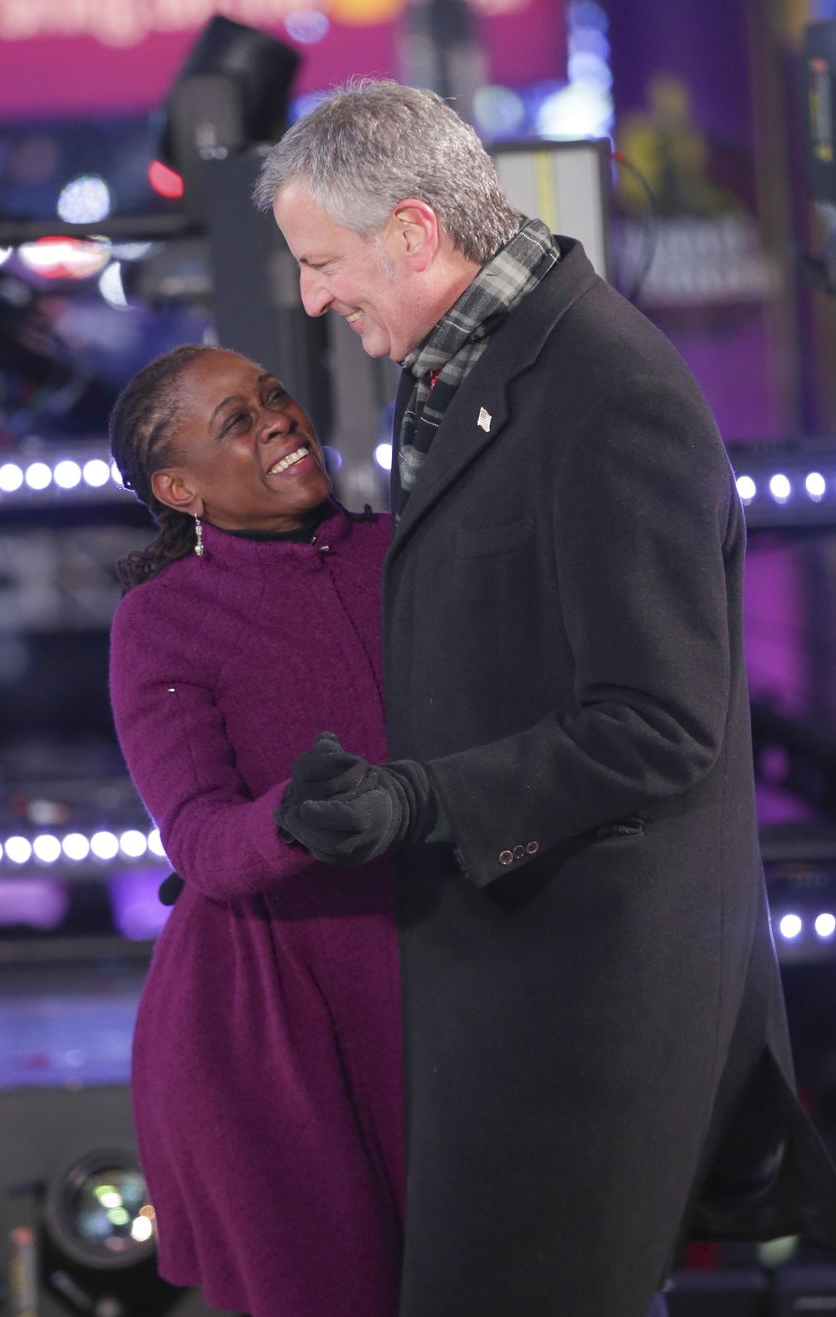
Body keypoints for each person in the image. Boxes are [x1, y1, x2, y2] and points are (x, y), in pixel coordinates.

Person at [255, 80, 836, 1317]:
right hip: (512, 977)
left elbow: (659, 720)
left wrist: (420, 802)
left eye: (321, 261)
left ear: (413, 232)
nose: (311, 296)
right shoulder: (467, 361)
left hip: (584, 1002)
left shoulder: (605, 390)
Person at [108, 344, 404, 1317]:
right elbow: (196, 839)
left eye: (273, 396)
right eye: (236, 419)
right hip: (268, 1035)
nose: (277, 418)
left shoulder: (412, 550)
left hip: (443, 989)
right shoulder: (162, 619)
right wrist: (296, 815)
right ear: (178, 487)